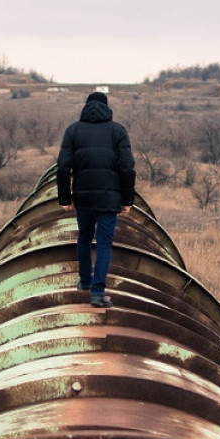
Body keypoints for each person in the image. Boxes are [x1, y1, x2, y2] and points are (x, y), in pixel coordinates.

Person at [56, 91, 136, 308]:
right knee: (104, 243)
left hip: (82, 196)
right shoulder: (117, 131)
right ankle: (98, 293)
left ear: (86, 106)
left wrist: (64, 198)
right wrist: (128, 199)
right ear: (107, 107)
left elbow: (63, 167)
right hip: (110, 198)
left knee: (84, 237)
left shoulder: (73, 131)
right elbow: (127, 167)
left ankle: (84, 281)